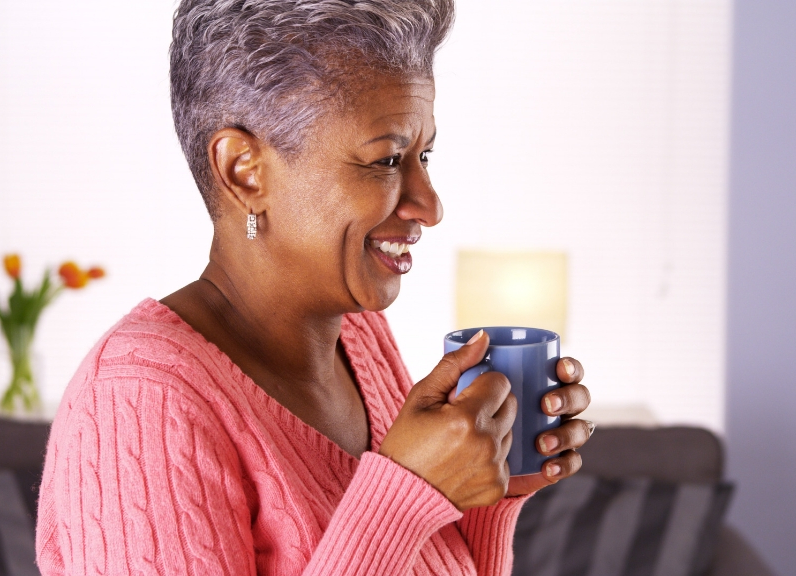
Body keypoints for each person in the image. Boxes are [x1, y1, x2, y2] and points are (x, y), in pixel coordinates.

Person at [35, 1, 594, 574]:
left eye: (423, 155)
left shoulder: (358, 335)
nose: (430, 205)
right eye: (387, 160)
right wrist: (403, 497)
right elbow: (386, 526)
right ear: (243, 170)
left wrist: (489, 486)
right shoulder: (139, 400)